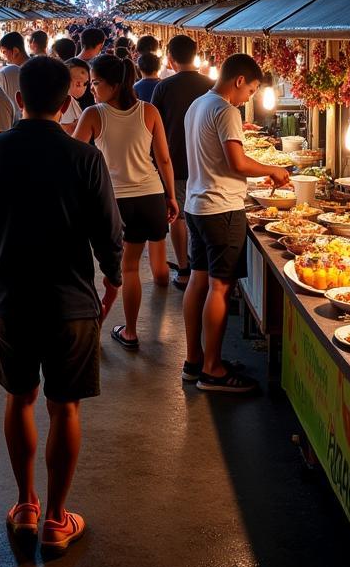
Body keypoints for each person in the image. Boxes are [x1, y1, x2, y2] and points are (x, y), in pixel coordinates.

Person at [0, 57, 123, 552]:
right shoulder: (84, 157)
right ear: (66, 102)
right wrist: (112, 281)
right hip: (71, 301)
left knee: (19, 398)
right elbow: (109, 233)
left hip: (11, 299)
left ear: (18, 100)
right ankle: (56, 519)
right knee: (65, 407)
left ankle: (26, 504)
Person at [183, 54, 291, 394]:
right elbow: (237, 162)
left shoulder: (198, 104)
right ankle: (213, 370)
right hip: (222, 208)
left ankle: (194, 361)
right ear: (240, 80)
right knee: (220, 287)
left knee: (198, 281)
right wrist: (273, 170)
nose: (251, 98)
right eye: (253, 89)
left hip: (196, 205)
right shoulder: (227, 110)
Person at [74, 55, 177, 349]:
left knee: (111, 269)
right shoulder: (149, 111)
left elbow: (75, 156)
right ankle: (130, 331)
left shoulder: (94, 115)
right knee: (130, 268)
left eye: (96, 83)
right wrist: (170, 196)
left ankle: (100, 329)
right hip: (150, 196)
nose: (92, 89)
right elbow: (164, 159)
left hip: (114, 201)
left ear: (115, 84)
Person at [151, 35, 214, 291]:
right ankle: (206, 270)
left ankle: (185, 270)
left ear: (170, 58)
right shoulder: (212, 84)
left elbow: (154, 129)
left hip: (174, 160)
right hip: (208, 163)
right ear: (195, 54)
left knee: (177, 216)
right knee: (204, 213)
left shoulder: (164, 88)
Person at [74, 28, 106, 110]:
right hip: (92, 112)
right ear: (100, 45)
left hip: (68, 115)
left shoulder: (67, 64)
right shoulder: (99, 66)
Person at [0, 31, 28, 108]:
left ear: (15, 51)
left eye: (4, 52)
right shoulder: (14, 71)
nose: (4, 58)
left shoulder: (30, 69)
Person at [60, 57, 90, 134]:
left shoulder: (61, 98)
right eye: (86, 83)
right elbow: (68, 129)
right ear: (78, 84)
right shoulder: (66, 101)